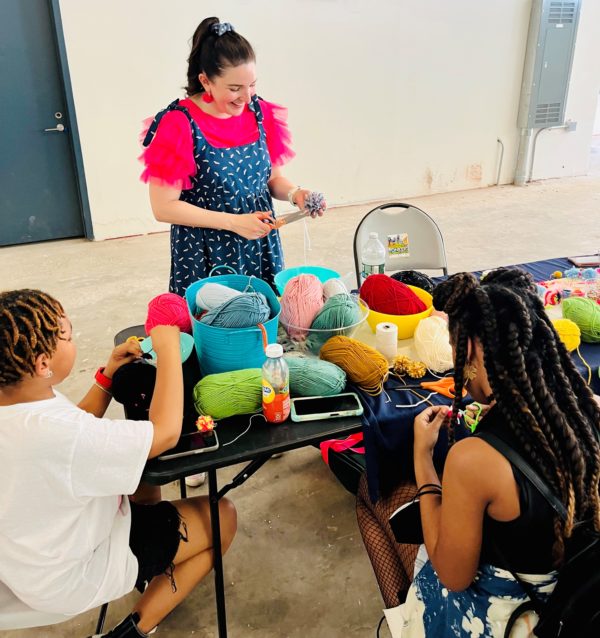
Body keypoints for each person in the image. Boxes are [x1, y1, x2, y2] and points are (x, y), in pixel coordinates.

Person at [357, 268, 600, 637]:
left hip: (514, 620)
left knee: (371, 495)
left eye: (455, 350)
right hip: (579, 596)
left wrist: (423, 462)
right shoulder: (588, 409)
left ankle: (411, 620)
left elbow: (454, 576)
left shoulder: (474, 460)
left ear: (468, 349)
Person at [0, 290, 237, 638]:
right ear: (41, 365)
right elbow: (165, 433)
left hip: (27, 561)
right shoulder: (63, 437)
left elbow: (68, 428)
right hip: (74, 571)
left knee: (140, 479)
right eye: (66, 334)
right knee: (223, 516)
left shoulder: (21, 404)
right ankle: (131, 631)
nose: (73, 337)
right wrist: (170, 349)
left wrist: (107, 377)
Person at [139, 16, 326, 297]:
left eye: (252, 85)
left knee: (265, 326)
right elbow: (163, 207)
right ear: (205, 81)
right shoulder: (179, 124)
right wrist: (234, 222)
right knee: (215, 330)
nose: (247, 97)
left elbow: (272, 178)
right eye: (235, 88)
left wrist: (296, 194)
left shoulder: (260, 113)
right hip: (204, 253)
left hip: (259, 245)